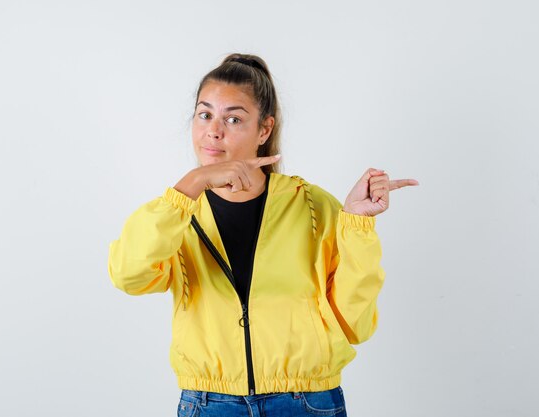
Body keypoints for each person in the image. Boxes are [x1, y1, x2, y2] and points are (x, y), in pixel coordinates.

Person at [107, 53, 418, 417]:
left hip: (307, 403)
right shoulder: (176, 212)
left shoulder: (314, 207)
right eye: (205, 114)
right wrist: (191, 185)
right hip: (209, 404)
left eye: (233, 118)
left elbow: (355, 325)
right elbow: (129, 277)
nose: (214, 131)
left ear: (265, 129)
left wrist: (356, 226)